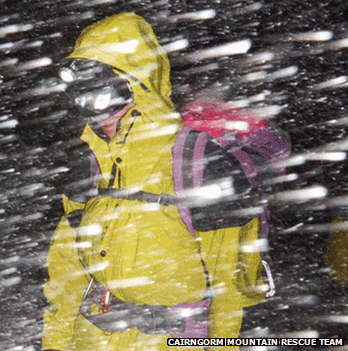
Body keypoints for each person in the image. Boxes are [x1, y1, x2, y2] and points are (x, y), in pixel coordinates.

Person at [42, 12, 267, 351]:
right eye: (80, 96)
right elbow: (66, 277)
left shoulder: (195, 159)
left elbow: (228, 288)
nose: (93, 109)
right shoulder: (88, 164)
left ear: (137, 85)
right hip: (97, 338)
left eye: (102, 93)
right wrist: (55, 345)